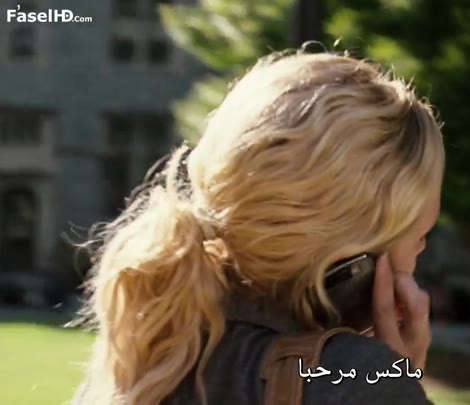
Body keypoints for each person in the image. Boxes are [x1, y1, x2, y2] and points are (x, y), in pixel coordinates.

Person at [70, 49, 445, 405]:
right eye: (419, 237)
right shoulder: (357, 380)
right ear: (353, 266)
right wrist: (395, 381)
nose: (421, 251)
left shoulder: (145, 354)